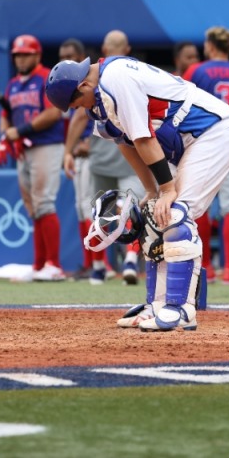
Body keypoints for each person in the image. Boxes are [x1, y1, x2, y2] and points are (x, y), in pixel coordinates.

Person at [45, 53, 229, 331]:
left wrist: (167, 189)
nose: (77, 109)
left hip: (211, 133)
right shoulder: (98, 99)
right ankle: (157, 305)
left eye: (75, 103)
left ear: (84, 87)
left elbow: (144, 138)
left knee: (174, 214)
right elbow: (126, 143)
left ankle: (181, 309)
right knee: (153, 215)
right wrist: (151, 190)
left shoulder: (116, 78)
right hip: (186, 144)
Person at [182, 26, 229, 286]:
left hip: (202, 140)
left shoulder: (197, 70)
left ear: (211, 45)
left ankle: (205, 268)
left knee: (199, 204)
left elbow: (181, 102)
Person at [64, 30, 142, 285]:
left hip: (103, 150)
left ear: (104, 50)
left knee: (99, 209)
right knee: (133, 208)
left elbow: (77, 117)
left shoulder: (95, 76)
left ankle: (98, 266)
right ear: (127, 49)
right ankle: (130, 261)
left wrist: (67, 151)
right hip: (132, 150)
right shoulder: (136, 70)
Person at [0, 34, 65, 281]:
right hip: (23, 150)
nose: (21, 58)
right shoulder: (13, 83)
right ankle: (39, 265)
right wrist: (5, 134)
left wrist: (20, 131)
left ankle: (54, 265)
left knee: (44, 202)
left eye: (26, 54)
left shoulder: (46, 77)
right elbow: (5, 113)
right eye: (18, 54)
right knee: (34, 208)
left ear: (37, 55)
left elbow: (53, 113)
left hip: (45, 145)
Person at [59, 38, 108, 281]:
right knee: (81, 209)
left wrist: (87, 142)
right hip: (77, 153)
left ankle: (102, 263)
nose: (64, 58)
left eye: (69, 55)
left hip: (94, 152)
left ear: (79, 56)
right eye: (61, 55)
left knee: (93, 208)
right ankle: (90, 262)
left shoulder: (87, 82)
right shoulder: (62, 85)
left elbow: (87, 118)